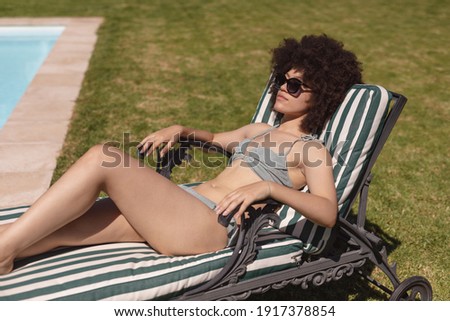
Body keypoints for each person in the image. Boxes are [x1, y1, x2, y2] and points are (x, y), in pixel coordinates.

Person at [0, 34, 362, 274]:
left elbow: (327, 212)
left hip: (208, 226)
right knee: (57, 228)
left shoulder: (310, 149)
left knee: (102, 157)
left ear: (321, 95)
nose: (283, 87)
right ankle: (5, 254)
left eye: (296, 85)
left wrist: (269, 189)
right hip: (182, 206)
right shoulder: (259, 131)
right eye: (282, 79)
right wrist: (182, 130)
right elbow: (216, 138)